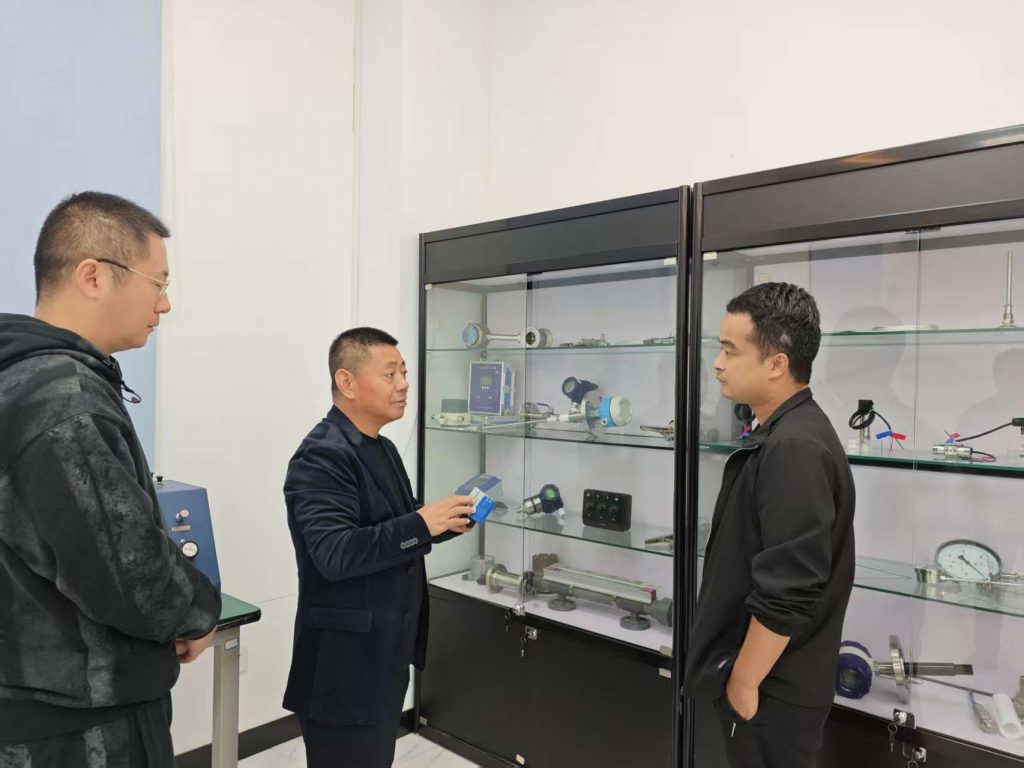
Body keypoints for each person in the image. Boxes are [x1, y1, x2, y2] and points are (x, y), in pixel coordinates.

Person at [0, 192, 222, 767]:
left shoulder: (21, 378)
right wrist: (199, 612)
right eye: (158, 283)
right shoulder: (63, 402)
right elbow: (131, 571)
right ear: (93, 276)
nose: (165, 304)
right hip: (80, 730)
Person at [283, 327, 474, 768]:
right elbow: (335, 553)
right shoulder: (322, 455)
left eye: (404, 373)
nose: (404, 384)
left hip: (384, 658)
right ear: (347, 382)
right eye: (390, 374)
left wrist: (446, 521)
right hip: (344, 668)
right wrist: (421, 523)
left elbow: (395, 525)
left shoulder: (382, 447)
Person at [684, 282, 856, 768]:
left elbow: (790, 589)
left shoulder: (794, 447)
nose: (717, 363)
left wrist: (743, 681)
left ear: (777, 363)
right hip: (770, 681)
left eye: (730, 350)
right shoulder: (784, 432)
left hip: (771, 689)